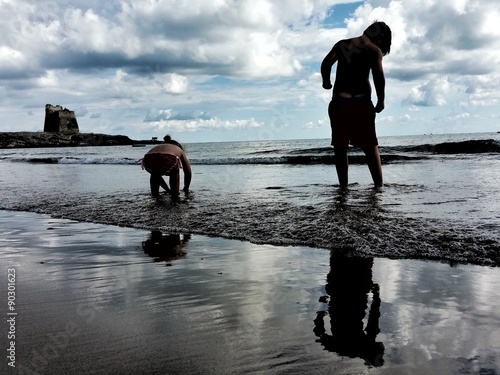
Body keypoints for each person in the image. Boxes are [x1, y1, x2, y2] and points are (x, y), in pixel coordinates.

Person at [321, 21, 392, 188]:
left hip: (340, 103)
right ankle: (378, 185)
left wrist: (326, 81)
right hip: (361, 104)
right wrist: (381, 99)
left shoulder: (343, 45)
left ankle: (343, 187)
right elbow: (378, 77)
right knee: (370, 146)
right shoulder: (373, 51)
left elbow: (326, 63)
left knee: (340, 147)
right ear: (380, 38)